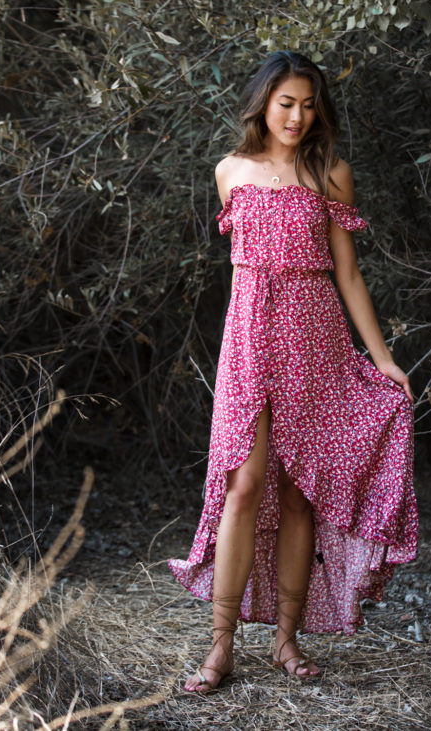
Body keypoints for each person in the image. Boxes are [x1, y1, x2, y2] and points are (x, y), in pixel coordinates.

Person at [168, 51, 418, 693]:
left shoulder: (330, 173)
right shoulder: (230, 172)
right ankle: (220, 647)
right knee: (245, 485)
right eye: (287, 103)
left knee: (304, 489)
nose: (299, 116)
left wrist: (382, 358)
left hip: (316, 342)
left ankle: (286, 638)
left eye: (309, 105)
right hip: (250, 341)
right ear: (263, 103)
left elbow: (349, 273)